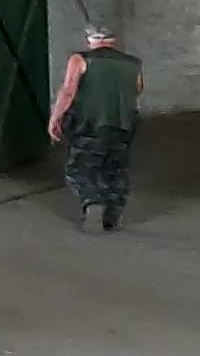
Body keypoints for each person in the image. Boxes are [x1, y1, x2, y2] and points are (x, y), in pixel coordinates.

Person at [47, 25, 144, 232]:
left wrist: (55, 118)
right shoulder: (134, 63)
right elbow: (137, 90)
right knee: (116, 170)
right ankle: (113, 213)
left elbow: (68, 92)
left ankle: (93, 203)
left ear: (90, 40)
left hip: (89, 125)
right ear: (113, 40)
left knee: (80, 169)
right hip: (123, 127)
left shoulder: (80, 59)